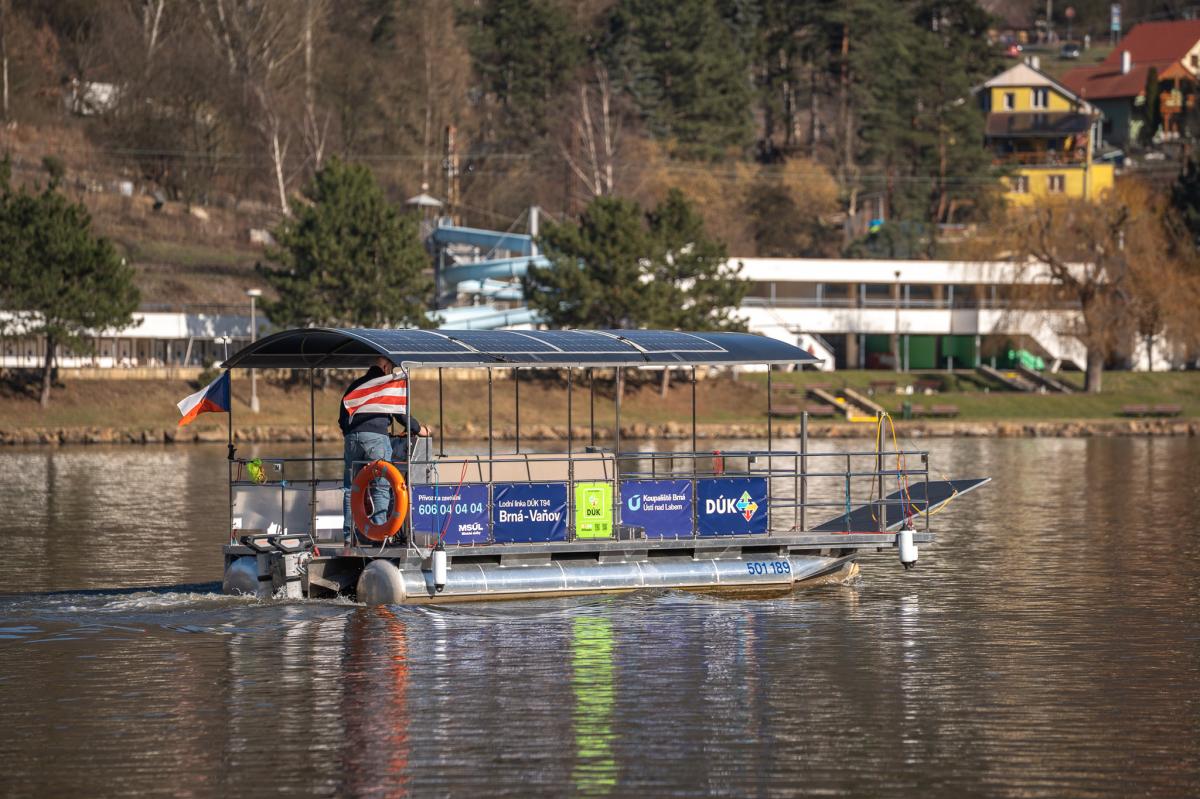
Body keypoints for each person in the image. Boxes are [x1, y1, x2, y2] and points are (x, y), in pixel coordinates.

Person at [340, 356, 430, 543]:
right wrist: (419, 429)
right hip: (376, 440)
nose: (392, 371)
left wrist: (353, 435)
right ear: (385, 365)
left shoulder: (355, 387)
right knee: (380, 487)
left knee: (351, 489)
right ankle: (378, 537)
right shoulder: (386, 384)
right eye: (391, 367)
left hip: (351, 440)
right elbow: (401, 414)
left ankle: (349, 537)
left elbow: (342, 418)